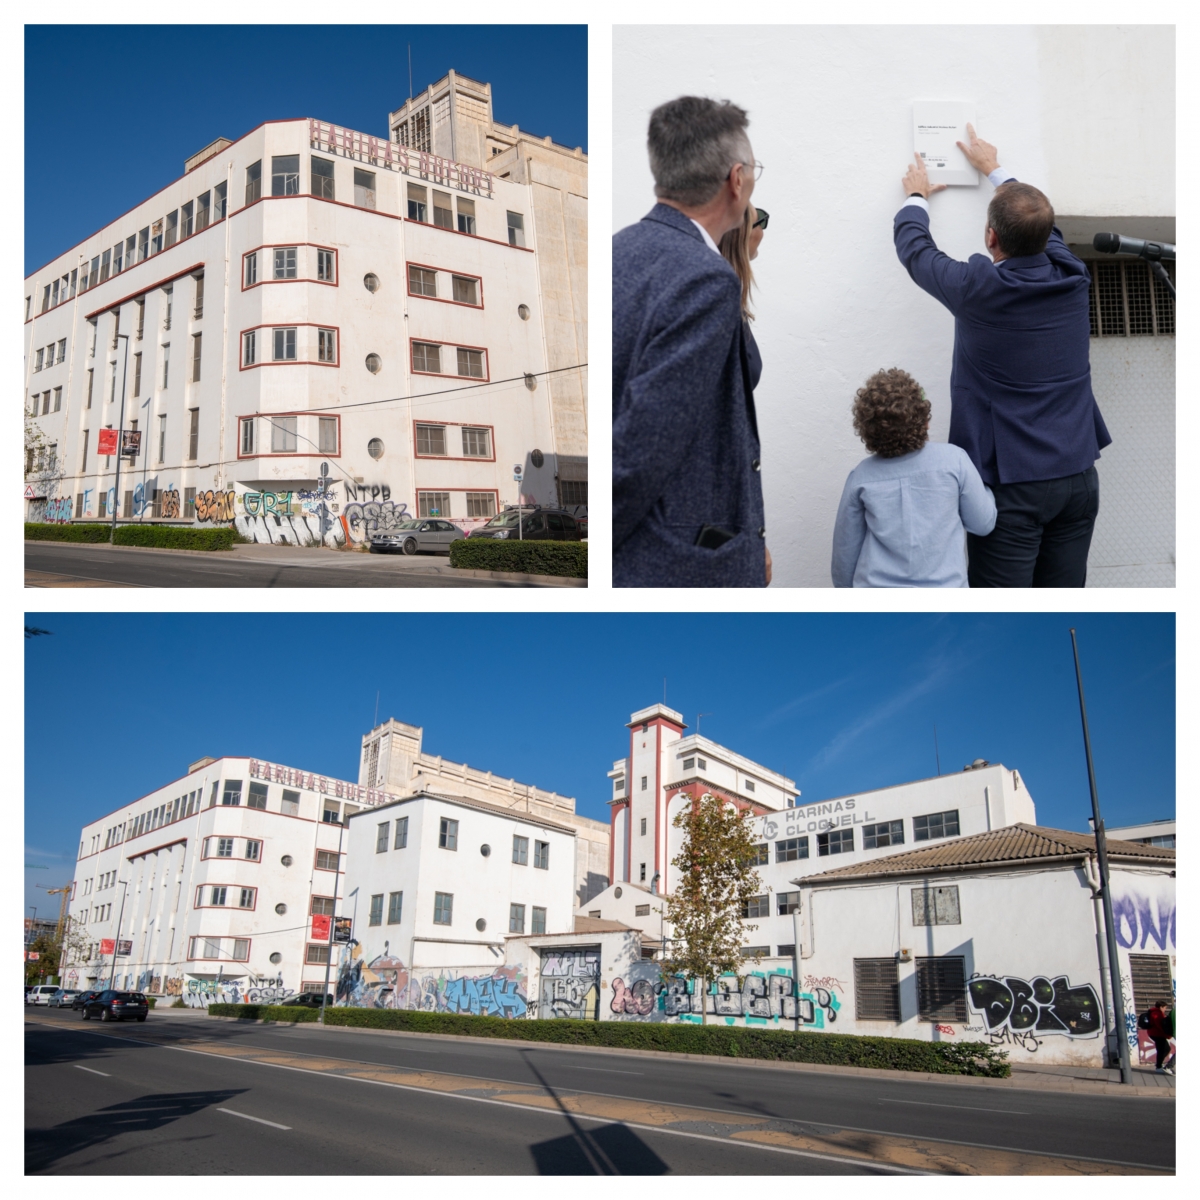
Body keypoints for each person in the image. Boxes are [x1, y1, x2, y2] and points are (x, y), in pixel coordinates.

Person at [895, 125, 1111, 587]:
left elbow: (916, 252)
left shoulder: (978, 289)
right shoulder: (1073, 276)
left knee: (1002, 611)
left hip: (1013, 489)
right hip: (1078, 478)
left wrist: (915, 197)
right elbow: (1046, 230)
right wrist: (996, 170)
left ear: (990, 237)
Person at [614, 96, 769, 587]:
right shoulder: (705, 279)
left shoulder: (619, 251)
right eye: (754, 171)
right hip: (676, 567)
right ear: (737, 179)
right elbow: (642, 452)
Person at [831, 368, 996, 587]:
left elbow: (845, 555)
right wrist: (986, 489)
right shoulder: (954, 461)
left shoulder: (861, 477)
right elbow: (983, 523)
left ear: (867, 429)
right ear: (924, 419)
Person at [1142, 999, 1175, 1074]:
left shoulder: (1155, 1012)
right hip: (1157, 1034)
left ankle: (1159, 1064)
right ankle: (1159, 1066)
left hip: (1155, 1034)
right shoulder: (1157, 1014)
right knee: (1163, 1050)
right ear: (1161, 1007)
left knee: (1164, 1049)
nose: (1165, 1009)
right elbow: (1160, 1026)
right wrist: (1167, 1035)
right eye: (1165, 1008)